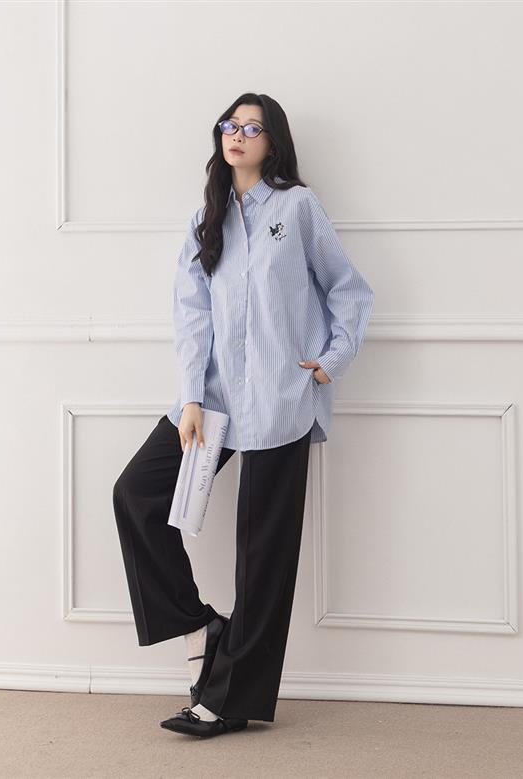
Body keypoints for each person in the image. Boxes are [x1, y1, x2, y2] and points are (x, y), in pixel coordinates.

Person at [113, 92, 375, 739]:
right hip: (213, 400)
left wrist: (331, 360)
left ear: (272, 141)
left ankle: (228, 701)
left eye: (252, 128)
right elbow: (191, 312)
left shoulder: (297, 207)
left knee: (263, 557)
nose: (237, 135)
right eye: (230, 125)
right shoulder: (208, 217)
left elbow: (348, 288)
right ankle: (199, 626)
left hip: (281, 400)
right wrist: (190, 397)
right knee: (136, 493)